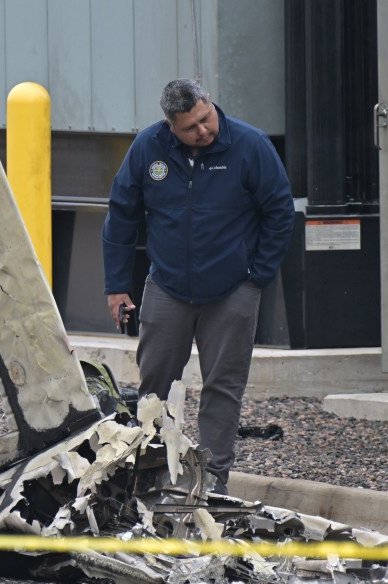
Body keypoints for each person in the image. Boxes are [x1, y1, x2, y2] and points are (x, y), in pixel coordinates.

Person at [101, 78, 295, 495]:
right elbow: (121, 216)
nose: (203, 130)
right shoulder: (148, 148)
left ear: (210, 103)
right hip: (167, 286)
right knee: (155, 386)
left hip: (232, 291)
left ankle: (212, 482)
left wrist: (256, 277)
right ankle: (152, 473)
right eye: (190, 127)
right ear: (170, 125)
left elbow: (280, 211)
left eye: (206, 118)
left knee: (223, 388)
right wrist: (116, 286)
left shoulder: (250, 145)